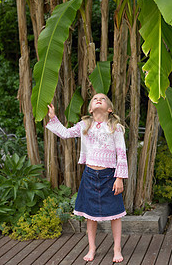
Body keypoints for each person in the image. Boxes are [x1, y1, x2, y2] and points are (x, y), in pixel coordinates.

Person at [46, 93, 128, 263]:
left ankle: (117, 248)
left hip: (109, 176)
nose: (98, 99)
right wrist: (54, 118)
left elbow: (121, 153)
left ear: (110, 109)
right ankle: (92, 248)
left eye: (103, 99)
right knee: (90, 215)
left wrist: (119, 177)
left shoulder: (116, 127)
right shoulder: (85, 125)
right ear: (90, 109)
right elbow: (66, 133)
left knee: (115, 214)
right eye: (95, 99)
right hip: (90, 175)